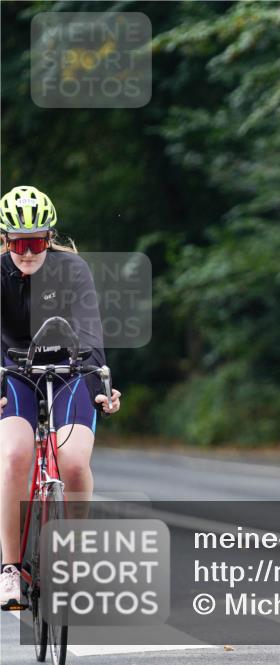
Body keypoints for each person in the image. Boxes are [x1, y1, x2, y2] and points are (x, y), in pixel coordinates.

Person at [0, 186, 121, 611]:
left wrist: (100, 382)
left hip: (72, 369)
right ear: (5, 240)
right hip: (12, 371)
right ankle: (10, 568)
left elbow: (90, 330)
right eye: (18, 243)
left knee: (72, 462)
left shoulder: (72, 270)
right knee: (15, 455)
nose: (28, 252)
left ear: (48, 238)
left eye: (36, 242)